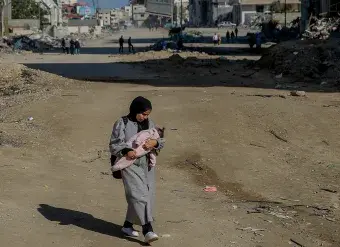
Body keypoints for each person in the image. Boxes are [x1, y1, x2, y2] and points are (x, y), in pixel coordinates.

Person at [109, 96, 165, 244]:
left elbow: (160, 140)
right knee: (138, 195)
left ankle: (128, 225)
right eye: (143, 114)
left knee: (147, 194)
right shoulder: (122, 123)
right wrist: (126, 151)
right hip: (129, 163)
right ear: (135, 110)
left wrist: (155, 142)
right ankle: (147, 229)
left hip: (146, 164)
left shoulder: (150, 123)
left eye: (147, 115)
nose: (145, 117)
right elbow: (115, 144)